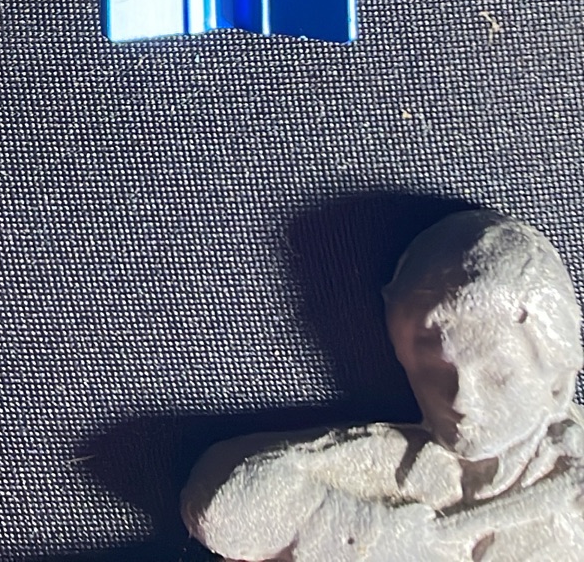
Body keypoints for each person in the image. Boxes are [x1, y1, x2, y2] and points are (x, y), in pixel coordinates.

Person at [182, 211, 584, 558]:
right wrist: (369, 534)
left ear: (558, 381)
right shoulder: (413, 467)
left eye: (497, 374)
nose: (462, 398)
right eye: (435, 372)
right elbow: (224, 509)